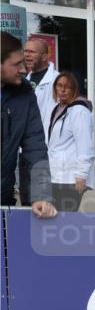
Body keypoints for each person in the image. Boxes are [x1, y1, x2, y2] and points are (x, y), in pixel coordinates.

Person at [1, 31, 57, 218]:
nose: (24, 70)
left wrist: (41, 195)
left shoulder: (24, 92)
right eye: (17, 64)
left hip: (3, 198)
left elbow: (35, 146)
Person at [46, 71, 95, 212]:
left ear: (74, 89)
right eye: (59, 86)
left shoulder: (79, 111)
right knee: (54, 218)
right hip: (58, 175)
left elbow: (85, 145)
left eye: (67, 87)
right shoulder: (59, 108)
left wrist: (81, 174)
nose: (62, 90)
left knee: (65, 219)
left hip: (71, 178)